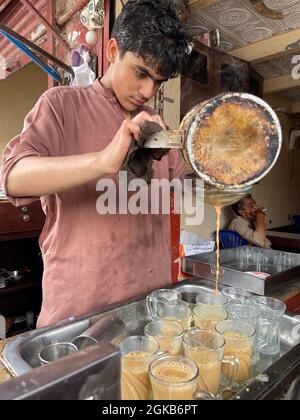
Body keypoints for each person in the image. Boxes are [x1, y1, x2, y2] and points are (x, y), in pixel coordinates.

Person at [1, 0, 191, 328]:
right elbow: (13, 177)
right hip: (78, 319)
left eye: (158, 81)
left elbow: (188, 184)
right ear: (114, 50)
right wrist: (102, 161)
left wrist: (222, 167)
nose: (148, 90)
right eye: (141, 73)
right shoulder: (61, 105)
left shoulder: (154, 125)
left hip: (147, 314)